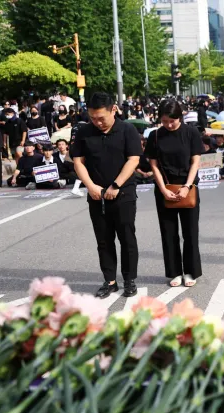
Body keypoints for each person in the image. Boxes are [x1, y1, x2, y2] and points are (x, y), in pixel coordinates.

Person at [71, 92, 142, 299]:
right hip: (96, 194)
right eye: (93, 118)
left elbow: (133, 160)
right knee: (103, 239)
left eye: (101, 117)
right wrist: (91, 186)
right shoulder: (83, 131)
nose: (97, 122)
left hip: (123, 192)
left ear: (114, 110)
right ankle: (110, 280)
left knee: (126, 237)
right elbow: (78, 162)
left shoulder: (127, 129)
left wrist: (116, 185)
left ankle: (129, 279)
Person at [146, 99, 204, 288]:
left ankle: (190, 271)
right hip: (165, 188)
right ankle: (174, 272)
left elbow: (195, 161)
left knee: (190, 232)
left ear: (180, 116)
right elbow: (153, 164)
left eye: (173, 120)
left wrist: (187, 185)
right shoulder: (154, 136)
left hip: (188, 187)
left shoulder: (191, 133)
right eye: (164, 121)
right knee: (168, 232)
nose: (169, 125)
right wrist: (163, 189)